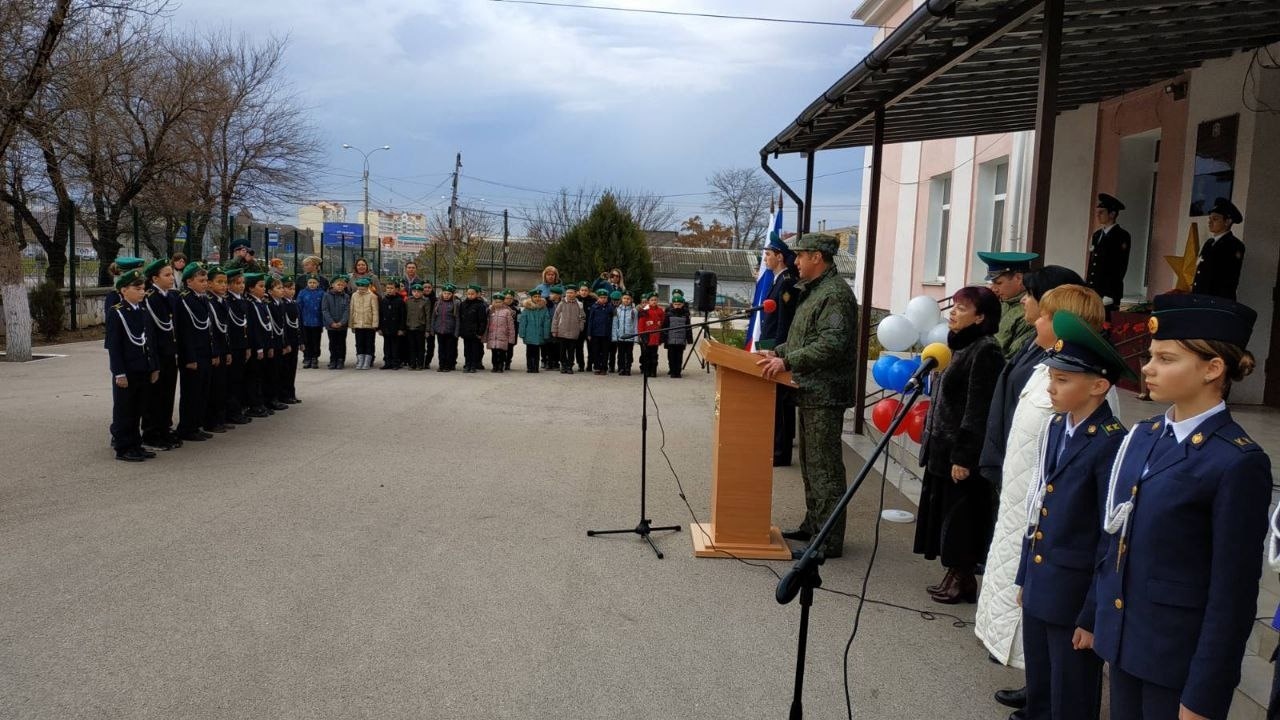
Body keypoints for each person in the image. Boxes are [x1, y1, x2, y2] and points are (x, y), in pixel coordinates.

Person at [1093, 293, 1270, 720]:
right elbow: (1117, 540)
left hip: (1176, 664)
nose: (1147, 368)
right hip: (1127, 644)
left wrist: (1205, 693)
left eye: (1166, 359)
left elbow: (1233, 595)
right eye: (1150, 356)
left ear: (1213, 368)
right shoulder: (1145, 435)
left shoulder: (1236, 461)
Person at [1015, 310, 1132, 720]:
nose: (1051, 387)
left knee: (1072, 694)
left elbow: (1109, 536)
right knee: (1041, 685)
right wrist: (1025, 575)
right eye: (1051, 377)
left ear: (1099, 386)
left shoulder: (1110, 442)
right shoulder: (1056, 427)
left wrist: (1092, 614)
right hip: (1043, 582)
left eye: (1063, 380)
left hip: (1075, 594)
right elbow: (1038, 508)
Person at [756, 232, 860, 559]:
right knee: (811, 466)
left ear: (817, 257)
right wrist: (776, 352)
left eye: (800, 255)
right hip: (810, 390)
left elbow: (831, 344)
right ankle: (814, 525)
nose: (796, 261)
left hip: (825, 393)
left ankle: (827, 540)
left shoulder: (835, 295)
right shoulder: (815, 291)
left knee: (824, 468)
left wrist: (787, 361)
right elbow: (804, 338)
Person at [913, 285, 1005, 597]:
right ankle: (955, 575)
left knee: (962, 517)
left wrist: (964, 456)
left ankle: (962, 577)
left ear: (980, 317)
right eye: (953, 306)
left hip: (961, 451)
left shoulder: (986, 350)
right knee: (946, 515)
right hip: (942, 447)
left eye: (962, 308)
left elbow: (978, 408)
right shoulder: (959, 345)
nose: (952, 313)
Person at [105, 269, 158, 461]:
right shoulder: (117, 312)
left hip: (143, 368)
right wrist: (119, 373)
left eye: (143, 288)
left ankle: (136, 444)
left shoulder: (143, 310)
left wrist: (154, 366)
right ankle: (123, 447)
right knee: (124, 410)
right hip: (127, 370)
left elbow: (150, 341)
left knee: (138, 409)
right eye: (137, 289)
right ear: (124, 290)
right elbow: (114, 346)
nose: (142, 292)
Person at [760, 233, 800, 466]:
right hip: (770, 344)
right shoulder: (777, 280)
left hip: (778, 348)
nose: (765, 258)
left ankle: (780, 452)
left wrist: (778, 350)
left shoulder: (786, 282)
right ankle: (777, 445)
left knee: (781, 401)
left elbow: (785, 321)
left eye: (768, 254)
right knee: (776, 400)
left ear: (780, 257)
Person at [141, 258, 181, 450]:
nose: (171, 278)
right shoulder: (150, 299)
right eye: (167, 275)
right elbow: (150, 333)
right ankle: (151, 433)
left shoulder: (171, 297)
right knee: (154, 396)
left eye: (172, 274)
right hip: (158, 355)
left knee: (168, 393)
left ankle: (165, 428)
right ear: (155, 278)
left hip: (170, 353)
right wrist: (153, 361)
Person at [174, 262, 215, 442]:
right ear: (189, 282)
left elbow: (208, 329)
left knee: (202, 391)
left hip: (205, 352)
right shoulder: (184, 300)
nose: (205, 283)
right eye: (201, 280)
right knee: (191, 393)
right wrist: (189, 357)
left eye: (206, 280)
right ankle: (187, 428)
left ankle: (197, 425)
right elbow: (184, 332)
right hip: (192, 355)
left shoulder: (202, 298)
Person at [978, 251, 1039, 360]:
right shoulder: (1003, 303)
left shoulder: (1029, 311)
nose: (993, 288)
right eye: (992, 283)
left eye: (999, 283)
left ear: (1018, 278)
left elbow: (1013, 358)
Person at [1191, 197, 1245, 301]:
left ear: (1227, 221)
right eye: (1209, 219)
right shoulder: (1209, 243)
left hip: (1217, 301)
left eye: (1215, 219)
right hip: (1201, 298)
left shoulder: (1233, 245)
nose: (1210, 222)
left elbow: (1227, 279)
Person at [1085, 194, 1130, 315]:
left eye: (1102, 212)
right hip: (1094, 289)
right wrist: (1088, 286)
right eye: (1097, 212)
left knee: (1106, 322)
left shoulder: (1121, 236)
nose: (1098, 215)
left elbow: (1120, 266)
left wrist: (1109, 293)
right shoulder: (1097, 235)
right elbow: (1093, 263)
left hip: (1108, 292)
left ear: (1112, 214)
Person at [203, 266, 235, 433]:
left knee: (222, 386)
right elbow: (211, 331)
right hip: (215, 350)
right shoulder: (209, 302)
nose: (224, 285)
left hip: (223, 348)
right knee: (214, 387)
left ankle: (220, 418)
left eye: (225, 282)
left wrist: (227, 351)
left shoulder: (222, 301)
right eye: (219, 282)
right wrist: (215, 352)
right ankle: (211, 421)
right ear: (209, 284)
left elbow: (225, 329)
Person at [223, 269, 253, 422]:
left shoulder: (242, 300)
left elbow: (245, 326)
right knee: (232, 380)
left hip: (242, 344)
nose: (242, 286)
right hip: (233, 345)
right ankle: (232, 412)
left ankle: (238, 408)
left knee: (240, 378)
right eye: (237, 283)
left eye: (243, 283)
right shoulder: (228, 301)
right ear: (229, 286)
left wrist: (247, 346)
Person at [242, 273, 273, 417]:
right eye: (260, 286)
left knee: (261, 375)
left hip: (264, 344)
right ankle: (253, 404)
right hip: (256, 346)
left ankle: (260, 402)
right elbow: (253, 328)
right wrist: (259, 347)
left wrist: (268, 345)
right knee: (253, 377)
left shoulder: (260, 302)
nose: (264, 288)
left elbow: (266, 325)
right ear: (251, 288)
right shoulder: (250, 304)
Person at [262, 277, 288, 411]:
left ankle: (276, 397)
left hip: (279, 342)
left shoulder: (280, 303)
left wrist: (285, 343)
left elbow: (282, 326)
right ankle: (270, 399)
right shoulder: (269, 305)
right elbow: (269, 327)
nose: (282, 290)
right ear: (270, 291)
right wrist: (271, 345)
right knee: (271, 373)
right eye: (278, 288)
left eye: (282, 287)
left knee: (278, 371)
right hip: (272, 342)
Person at [551, 283, 585, 375]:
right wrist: (554, 330)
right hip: (562, 331)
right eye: (568, 293)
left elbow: (582, 317)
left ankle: (570, 366)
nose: (569, 294)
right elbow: (555, 317)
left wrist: (580, 327)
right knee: (562, 350)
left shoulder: (579, 305)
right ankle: (563, 365)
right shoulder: (561, 304)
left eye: (571, 293)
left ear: (575, 294)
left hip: (574, 332)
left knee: (571, 350)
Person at [278, 276, 301, 403]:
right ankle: (284, 394)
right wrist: (286, 343)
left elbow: (299, 323)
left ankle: (291, 393)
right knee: (285, 369)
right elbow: (283, 326)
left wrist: (302, 341)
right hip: (287, 341)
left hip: (295, 340)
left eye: (293, 289)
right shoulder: (282, 304)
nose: (292, 291)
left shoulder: (294, 303)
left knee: (292, 368)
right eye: (288, 288)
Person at [350, 276, 379, 370]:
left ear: (367, 287)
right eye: (359, 288)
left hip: (369, 324)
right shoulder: (354, 295)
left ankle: (367, 361)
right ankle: (360, 360)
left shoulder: (372, 296)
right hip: (358, 323)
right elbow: (352, 309)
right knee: (359, 343)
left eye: (363, 288)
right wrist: (351, 324)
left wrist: (375, 324)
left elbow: (375, 311)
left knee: (369, 343)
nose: (361, 290)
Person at [297, 275, 326, 369]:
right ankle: (307, 357)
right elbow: (299, 306)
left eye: (314, 282)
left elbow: (324, 307)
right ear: (307, 283)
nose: (312, 284)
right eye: (310, 282)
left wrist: (323, 321)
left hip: (317, 322)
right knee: (306, 340)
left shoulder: (322, 293)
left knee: (316, 341)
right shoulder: (302, 293)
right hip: (305, 321)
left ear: (318, 284)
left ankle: (314, 357)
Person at [519, 288, 551, 373]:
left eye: (539, 296)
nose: (537, 298)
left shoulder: (544, 309)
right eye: (535, 296)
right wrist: (522, 333)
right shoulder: (527, 309)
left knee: (537, 351)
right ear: (531, 298)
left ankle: (535, 367)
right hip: (529, 333)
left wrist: (546, 334)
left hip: (539, 334)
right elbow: (523, 322)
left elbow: (547, 322)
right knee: (529, 351)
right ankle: (530, 367)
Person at [459, 285, 489, 373]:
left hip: (475, 333)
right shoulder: (463, 304)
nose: (470, 295)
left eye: (472, 294)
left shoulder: (480, 305)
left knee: (475, 349)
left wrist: (480, 332)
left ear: (477, 294)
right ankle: (467, 364)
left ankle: (473, 365)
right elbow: (460, 318)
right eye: (468, 294)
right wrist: (461, 330)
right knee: (467, 349)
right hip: (466, 332)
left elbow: (483, 320)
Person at [322, 275, 350, 370]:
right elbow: (325, 310)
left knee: (341, 343)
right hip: (331, 325)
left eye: (342, 285)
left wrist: (342, 322)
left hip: (342, 325)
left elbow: (347, 310)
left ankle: (341, 360)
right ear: (333, 285)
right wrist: (331, 322)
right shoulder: (326, 296)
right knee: (333, 343)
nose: (340, 286)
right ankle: (333, 360)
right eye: (338, 285)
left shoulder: (346, 296)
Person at [662, 291, 691, 378]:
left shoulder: (685, 315)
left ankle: (678, 372)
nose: (677, 306)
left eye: (679, 304)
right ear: (672, 304)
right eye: (675, 304)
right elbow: (665, 327)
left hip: (681, 340)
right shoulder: (668, 314)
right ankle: (672, 371)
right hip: (670, 340)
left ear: (682, 304)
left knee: (679, 357)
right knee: (671, 356)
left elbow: (688, 328)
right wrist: (664, 338)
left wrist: (689, 339)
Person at [378, 278, 406, 370]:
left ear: (396, 289)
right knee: (387, 346)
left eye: (391, 288)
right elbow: (380, 315)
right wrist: (380, 328)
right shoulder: (384, 301)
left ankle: (396, 362)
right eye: (388, 288)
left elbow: (403, 316)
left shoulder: (400, 301)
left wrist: (401, 329)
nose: (389, 290)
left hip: (396, 328)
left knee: (396, 346)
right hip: (386, 328)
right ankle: (387, 362)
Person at [432, 283, 461, 372]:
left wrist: (456, 332)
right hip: (440, 330)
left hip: (450, 331)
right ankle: (441, 365)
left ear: (452, 294)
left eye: (449, 294)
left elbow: (457, 319)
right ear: (442, 293)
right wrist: (433, 329)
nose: (446, 295)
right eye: (445, 293)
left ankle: (448, 365)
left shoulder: (455, 304)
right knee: (441, 349)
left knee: (450, 349)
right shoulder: (438, 303)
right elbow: (434, 317)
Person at [485, 292, 517, 373]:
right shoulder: (490, 311)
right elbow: (487, 324)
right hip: (493, 336)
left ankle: (500, 366)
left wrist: (511, 338)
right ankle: (494, 366)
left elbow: (511, 326)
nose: (498, 303)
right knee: (494, 352)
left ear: (503, 302)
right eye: (496, 302)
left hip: (503, 336)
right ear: (493, 302)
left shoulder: (507, 312)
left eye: (500, 302)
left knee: (502, 352)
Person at [636, 291, 664, 379]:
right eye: (652, 300)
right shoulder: (644, 311)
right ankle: (647, 371)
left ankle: (653, 371)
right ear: (648, 301)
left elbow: (662, 322)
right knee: (646, 355)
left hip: (656, 337)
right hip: (647, 337)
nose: (654, 301)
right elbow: (641, 324)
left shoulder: (660, 311)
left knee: (654, 355)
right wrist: (641, 335)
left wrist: (661, 335)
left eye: (655, 300)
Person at [586, 289, 614, 375]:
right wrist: (589, 333)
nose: (603, 299)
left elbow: (613, 320)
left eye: (605, 297)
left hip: (606, 333)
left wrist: (611, 333)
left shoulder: (610, 307)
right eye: (601, 297)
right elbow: (590, 320)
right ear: (598, 298)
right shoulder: (594, 307)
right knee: (596, 351)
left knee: (605, 352)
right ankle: (597, 367)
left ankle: (604, 368)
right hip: (595, 333)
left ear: (607, 298)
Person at [611, 290, 637, 376]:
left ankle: (628, 368)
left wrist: (636, 337)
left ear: (631, 300)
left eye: (628, 299)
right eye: (624, 298)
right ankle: (621, 368)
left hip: (630, 336)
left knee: (629, 354)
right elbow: (615, 324)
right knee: (620, 354)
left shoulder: (634, 311)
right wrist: (614, 336)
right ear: (621, 299)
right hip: (620, 336)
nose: (626, 300)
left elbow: (635, 324)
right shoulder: (617, 310)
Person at [405, 282, 430, 371]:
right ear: (412, 292)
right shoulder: (408, 300)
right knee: (411, 347)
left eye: (418, 292)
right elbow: (405, 314)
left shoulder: (425, 301)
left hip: (420, 327)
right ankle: (412, 364)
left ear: (422, 292)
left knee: (420, 347)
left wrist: (427, 330)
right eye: (414, 291)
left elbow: (428, 316)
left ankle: (420, 364)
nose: (416, 293)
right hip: (410, 327)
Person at [543, 285, 563, 370]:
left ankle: (556, 362)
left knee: (557, 345)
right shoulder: (547, 303)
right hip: (548, 326)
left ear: (558, 295)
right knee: (548, 345)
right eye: (550, 293)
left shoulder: (562, 303)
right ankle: (548, 362)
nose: (550, 295)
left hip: (559, 327)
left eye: (553, 293)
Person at [419, 280, 437, 369]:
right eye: (425, 287)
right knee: (420, 345)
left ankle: (427, 362)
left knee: (430, 345)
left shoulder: (435, 300)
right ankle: (420, 361)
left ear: (432, 288)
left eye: (429, 287)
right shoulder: (418, 298)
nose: (427, 289)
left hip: (431, 325)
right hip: (420, 325)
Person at [574, 282, 591, 371]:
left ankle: (590, 364)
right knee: (578, 347)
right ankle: (580, 365)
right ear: (579, 291)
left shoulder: (592, 301)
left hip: (589, 327)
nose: (584, 292)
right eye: (582, 290)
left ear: (589, 291)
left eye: (586, 290)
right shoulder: (575, 301)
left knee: (591, 347)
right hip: (578, 328)